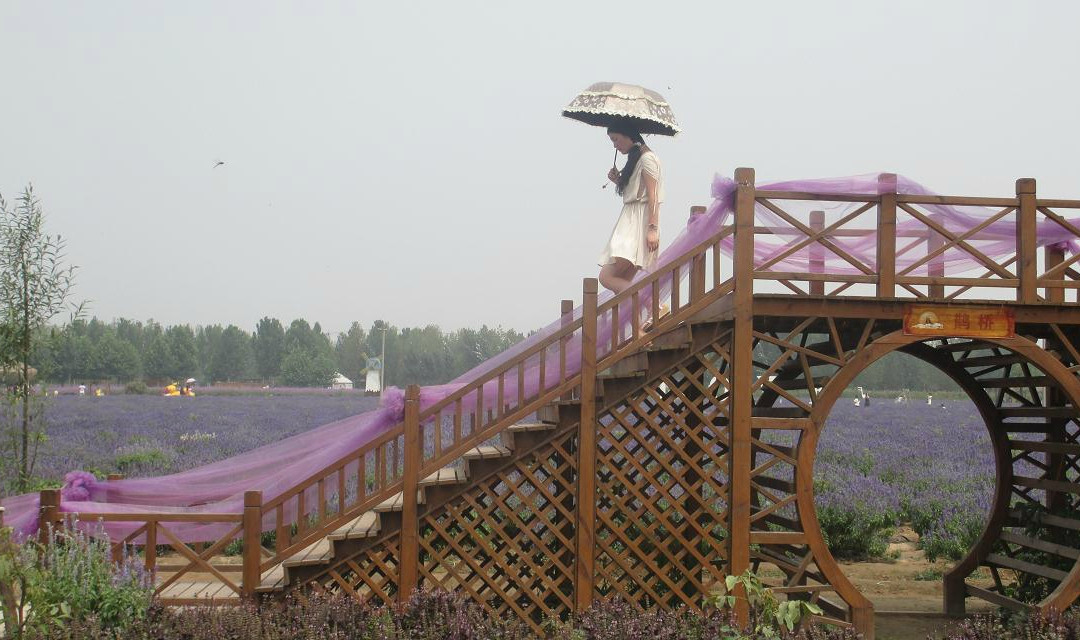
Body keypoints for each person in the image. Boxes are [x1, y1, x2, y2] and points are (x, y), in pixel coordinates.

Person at [598, 124, 663, 300]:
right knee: (620, 282)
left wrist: (652, 228)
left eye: (616, 139)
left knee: (606, 277)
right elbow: (635, 192)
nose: (615, 145)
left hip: (636, 226)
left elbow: (653, 196)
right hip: (631, 220)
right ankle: (639, 326)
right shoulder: (637, 158)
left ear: (628, 135)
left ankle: (653, 305)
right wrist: (618, 180)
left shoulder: (647, 158)